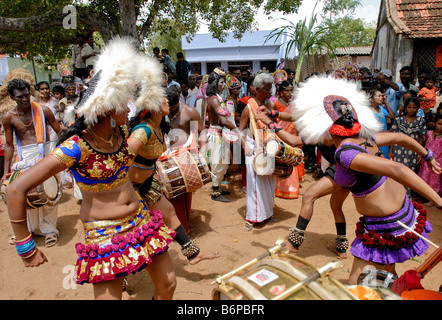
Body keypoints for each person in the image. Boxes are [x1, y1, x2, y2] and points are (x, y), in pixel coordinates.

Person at [5, 38, 177, 300]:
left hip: (142, 221)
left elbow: (144, 145)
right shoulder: (76, 147)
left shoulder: (121, 133)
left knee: (168, 285)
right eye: (124, 101)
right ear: (108, 108)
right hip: (105, 234)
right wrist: (25, 247)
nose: (129, 105)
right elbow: (16, 188)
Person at [291, 75, 441, 284]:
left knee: (357, 283)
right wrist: (428, 156)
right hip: (398, 212)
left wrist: (440, 202)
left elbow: (397, 168)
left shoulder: (345, 153)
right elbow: (400, 137)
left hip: (386, 224)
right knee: (383, 276)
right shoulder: (365, 138)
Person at [128, 65, 217, 265]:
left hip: (148, 183)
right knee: (130, 232)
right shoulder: (144, 131)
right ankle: (121, 277)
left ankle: (193, 254)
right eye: (162, 97)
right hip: (132, 190)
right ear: (151, 104)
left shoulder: (159, 126)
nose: (167, 99)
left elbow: (199, 133)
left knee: (169, 212)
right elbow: (122, 158)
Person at [2, 79, 63, 248]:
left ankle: (50, 229)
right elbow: (9, 145)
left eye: (27, 94)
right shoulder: (8, 117)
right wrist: (5, 172)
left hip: (46, 151)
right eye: (20, 96)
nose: (24, 99)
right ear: (13, 97)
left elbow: (59, 132)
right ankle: (31, 229)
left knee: (51, 191)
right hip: (25, 159)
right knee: (28, 193)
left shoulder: (44, 111)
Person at [238, 73, 278, 230]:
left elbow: (273, 126)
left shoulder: (270, 105)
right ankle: (253, 217)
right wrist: (244, 146)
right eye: (267, 89)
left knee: (269, 180)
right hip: (253, 147)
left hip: (268, 145)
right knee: (255, 182)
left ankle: (267, 213)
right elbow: (240, 130)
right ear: (257, 89)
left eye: (271, 88)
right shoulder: (248, 108)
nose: (270, 92)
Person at [205, 71, 237, 202]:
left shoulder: (216, 98)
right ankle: (215, 192)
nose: (224, 85)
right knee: (217, 162)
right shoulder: (213, 100)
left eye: (224, 82)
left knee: (222, 161)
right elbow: (223, 121)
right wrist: (236, 130)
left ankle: (218, 186)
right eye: (221, 82)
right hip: (216, 134)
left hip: (219, 133)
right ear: (214, 84)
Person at [273, 80, 301, 199]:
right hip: (281, 135)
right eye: (287, 90)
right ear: (280, 91)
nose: (289, 93)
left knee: (292, 158)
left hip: (292, 136)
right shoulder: (275, 104)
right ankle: (280, 188)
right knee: (282, 159)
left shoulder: (294, 105)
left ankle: (292, 187)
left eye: (291, 90)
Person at [389, 97, 427, 174]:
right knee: (397, 170)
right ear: (405, 108)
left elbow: (421, 138)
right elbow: (393, 136)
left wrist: (419, 153)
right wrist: (390, 151)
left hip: (413, 150)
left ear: (418, 108)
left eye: (414, 107)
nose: (411, 109)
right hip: (398, 149)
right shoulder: (398, 120)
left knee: (409, 171)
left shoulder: (421, 121)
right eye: (409, 107)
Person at [418, 113, 442, 201]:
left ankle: (433, 199)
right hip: (426, 160)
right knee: (424, 177)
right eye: (439, 124)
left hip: (438, 161)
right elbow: (421, 139)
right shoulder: (428, 134)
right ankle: (423, 195)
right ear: (434, 123)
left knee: (435, 180)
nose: (441, 126)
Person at [369, 89, 395, 158]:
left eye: (382, 96)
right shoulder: (368, 111)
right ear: (372, 99)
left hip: (384, 139)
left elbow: (392, 116)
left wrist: (386, 102)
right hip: (375, 139)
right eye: (379, 96)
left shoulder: (381, 108)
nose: (381, 98)